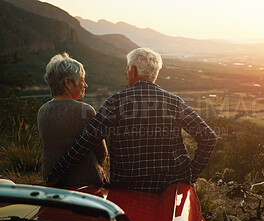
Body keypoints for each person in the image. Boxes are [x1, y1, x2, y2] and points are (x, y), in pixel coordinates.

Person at [46, 48, 217, 193]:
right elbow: (208, 137)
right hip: (170, 187)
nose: (127, 73)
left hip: (127, 189)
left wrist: (54, 175)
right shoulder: (174, 102)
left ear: (133, 71)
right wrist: (190, 175)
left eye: (127, 69)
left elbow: (86, 142)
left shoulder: (115, 102)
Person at [38, 53, 108, 187]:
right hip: (85, 185)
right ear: (68, 83)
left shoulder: (42, 111)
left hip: (53, 184)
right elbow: (102, 153)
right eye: (82, 80)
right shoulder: (85, 110)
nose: (86, 85)